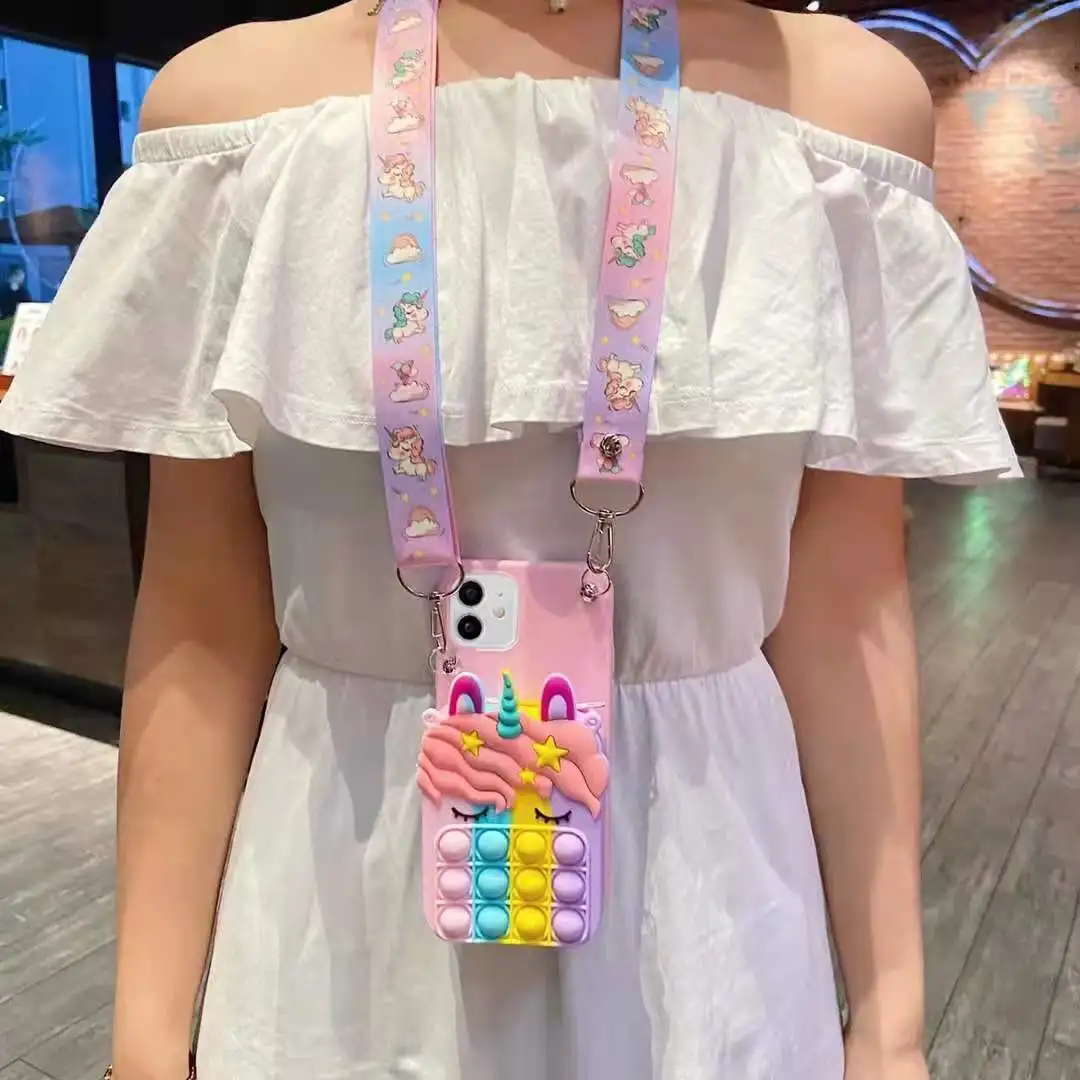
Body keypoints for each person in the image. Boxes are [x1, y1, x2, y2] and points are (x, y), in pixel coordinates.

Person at [0, 2, 1020, 1079]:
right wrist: (146, 1045)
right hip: (335, 910)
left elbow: (847, 607)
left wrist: (891, 1027)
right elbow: (201, 618)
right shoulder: (232, 116)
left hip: (709, 918)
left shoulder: (844, 118)